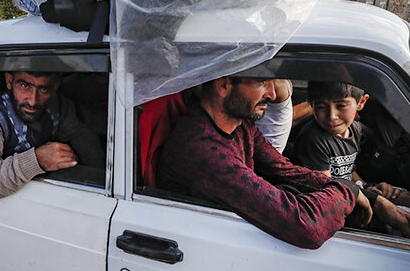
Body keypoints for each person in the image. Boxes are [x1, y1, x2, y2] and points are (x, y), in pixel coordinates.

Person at [156, 75, 373, 250]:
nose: (271, 93)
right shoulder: (203, 150)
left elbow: (285, 170)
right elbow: (306, 226)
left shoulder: (240, 125)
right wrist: (348, 191)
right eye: (261, 83)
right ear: (224, 85)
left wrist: (369, 196)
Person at [293, 81, 410, 238]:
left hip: (354, 194)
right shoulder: (312, 139)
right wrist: (377, 200)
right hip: (334, 206)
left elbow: (349, 169)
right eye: (321, 107)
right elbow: (325, 187)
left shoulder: (355, 130)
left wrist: (368, 187)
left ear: (361, 102)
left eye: (341, 106)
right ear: (311, 105)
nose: (332, 116)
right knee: (408, 224)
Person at [0, 71, 104, 201]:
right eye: (24, 85)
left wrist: (98, 174)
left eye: (43, 89)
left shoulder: (58, 105)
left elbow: (80, 135)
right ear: (9, 81)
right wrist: (37, 160)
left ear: (55, 87)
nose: (33, 101)